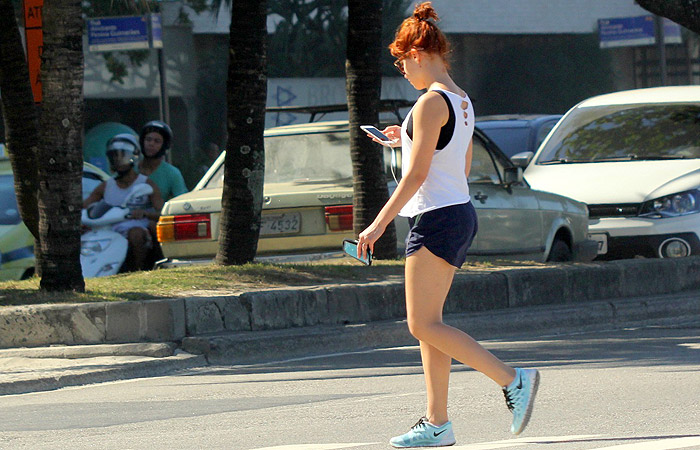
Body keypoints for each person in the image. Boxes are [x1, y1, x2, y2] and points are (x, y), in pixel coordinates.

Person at [356, 3, 540, 447]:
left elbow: (419, 176)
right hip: (455, 213)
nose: (402, 71)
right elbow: (458, 160)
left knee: (421, 324)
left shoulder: (429, 102)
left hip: (437, 217)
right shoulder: (460, 100)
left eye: (401, 62)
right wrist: (408, 138)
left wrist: (377, 224)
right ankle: (437, 422)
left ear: (418, 53)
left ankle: (513, 378)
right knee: (429, 323)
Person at [83, 133, 164, 272]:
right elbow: (86, 205)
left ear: (134, 156)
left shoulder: (146, 184)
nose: (119, 160)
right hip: (110, 228)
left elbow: (162, 212)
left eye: (123, 156)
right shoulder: (106, 185)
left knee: (136, 234)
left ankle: (138, 270)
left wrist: (144, 214)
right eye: (114, 156)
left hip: (139, 227)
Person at [138, 120, 188, 202]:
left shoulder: (172, 173)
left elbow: (182, 204)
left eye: (157, 141)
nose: (151, 144)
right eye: (148, 139)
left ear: (165, 146)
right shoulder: (131, 169)